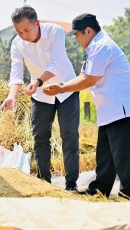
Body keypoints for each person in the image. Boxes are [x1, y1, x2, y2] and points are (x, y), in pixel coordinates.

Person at [43, 13, 130, 199]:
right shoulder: (94, 48)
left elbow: (89, 79)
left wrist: (61, 88)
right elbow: (83, 75)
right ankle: (99, 190)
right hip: (109, 110)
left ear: (88, 31)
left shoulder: (101, 46)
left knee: (123, 155)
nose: (75, 39)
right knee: (105, 156)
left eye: (77, 34)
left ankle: (128, 192)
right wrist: (62, 86)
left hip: (121, 109)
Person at [0, 6, 80, 190]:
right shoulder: (17, 44)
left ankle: (71, 184)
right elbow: (16, 73)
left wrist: (37, 81)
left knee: (69, 136)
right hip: (41, 96)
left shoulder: (55, 32)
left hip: (65, 89)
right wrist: (12, 96)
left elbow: (57, 63)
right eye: (18, 31)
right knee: (40, 137)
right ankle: (44, 183)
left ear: (37, 23)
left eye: (26, 30)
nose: (23, 35)